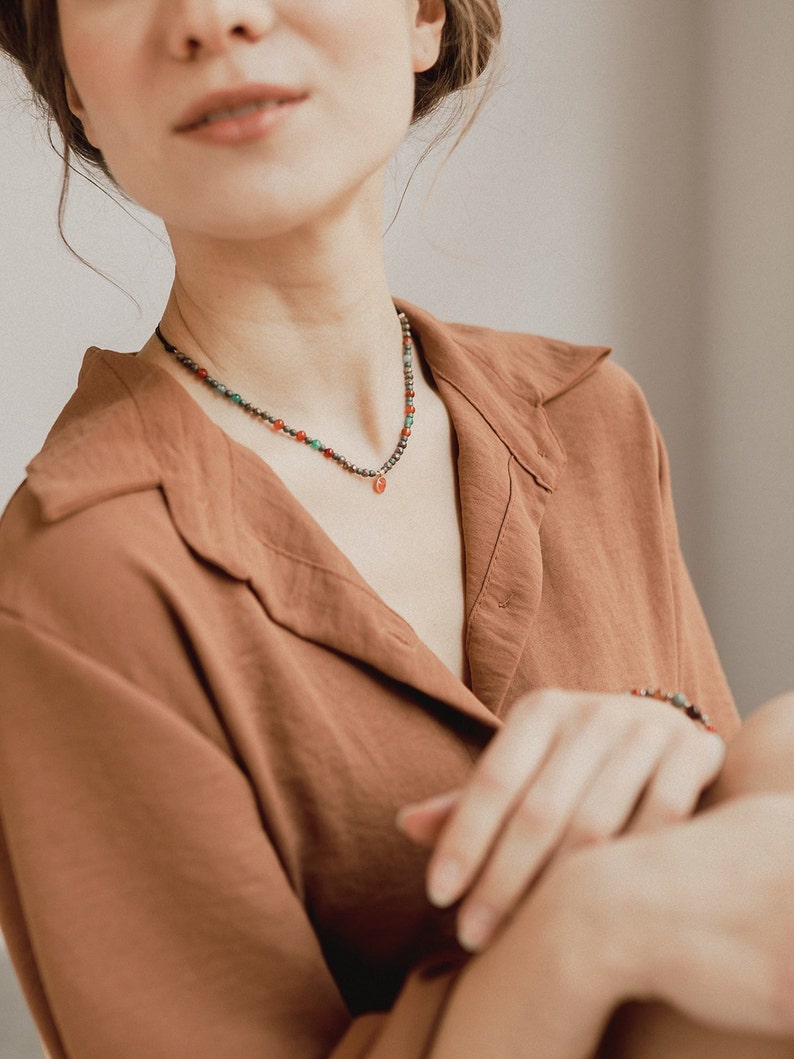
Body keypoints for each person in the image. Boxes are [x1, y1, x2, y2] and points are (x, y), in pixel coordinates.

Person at [0, 2, 792, 1057]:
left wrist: (682, 753)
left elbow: (747, 901)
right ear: (74, 83)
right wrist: (581, 931)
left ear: (423, 13)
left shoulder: (591, 419)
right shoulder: (77, 577)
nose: (214, 17)